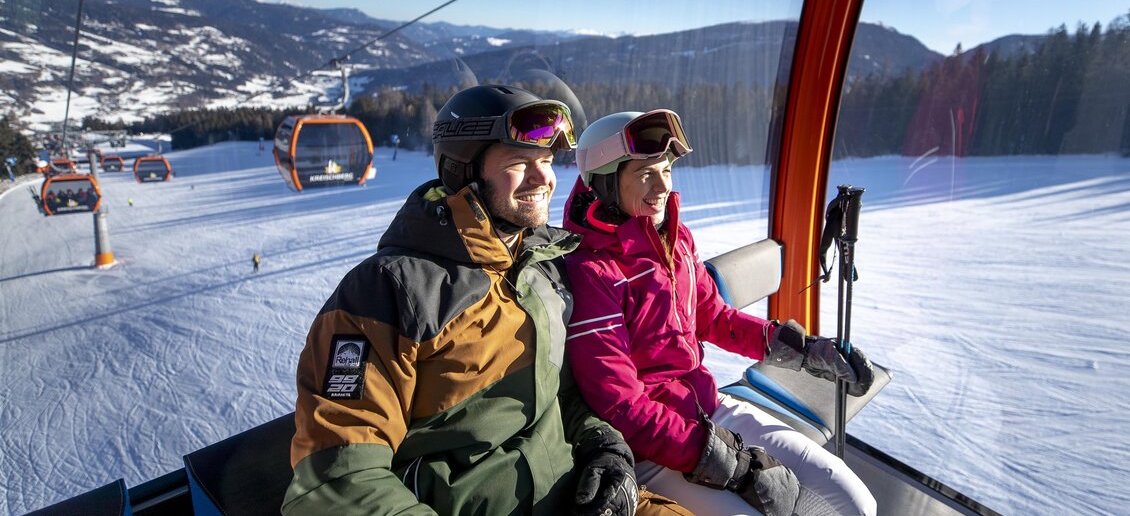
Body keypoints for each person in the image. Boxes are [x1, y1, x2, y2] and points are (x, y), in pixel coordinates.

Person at [284, 86, 692, 516]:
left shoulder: (543, 265)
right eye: (520, 163)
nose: (544, 179)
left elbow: (563, 393)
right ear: (462, 171)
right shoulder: (387, 291)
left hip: (576, 495)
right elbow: (338, 479)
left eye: (548, 162)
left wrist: (603, 445)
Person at [561, 109, 878, 516]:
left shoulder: (674, 241)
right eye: (645, 175)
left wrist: (802, 349)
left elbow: (713, 317)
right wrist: (730, 465)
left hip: (709, 408)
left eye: (667, 171)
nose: (662, 187)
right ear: (605, 183)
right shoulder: (591, 272)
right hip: (652, 450)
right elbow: (621, 404)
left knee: (853, 501)